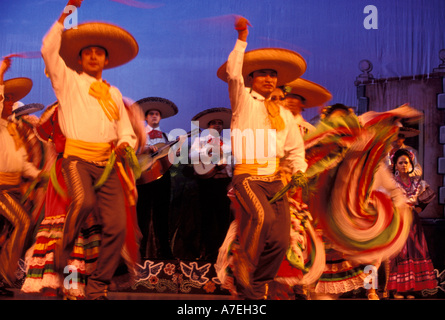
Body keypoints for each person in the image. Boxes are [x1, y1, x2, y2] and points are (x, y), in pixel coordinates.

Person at [41, 0, 139, 300]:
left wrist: (125, 145)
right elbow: (48, 49)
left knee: (117, 227)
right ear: (79, 60)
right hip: (76, 160)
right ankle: (61, 256)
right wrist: (66, 13)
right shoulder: (67, 81)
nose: (94, 56)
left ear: (106, 61)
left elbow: (125, 130)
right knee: (82, 204)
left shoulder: (114, 92)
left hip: (107, 163)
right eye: (88, 52)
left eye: (99, 53)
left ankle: (97, 286)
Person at [215, 16, 308, 299]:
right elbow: (233, 72)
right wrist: (242, 38)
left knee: (280, 240)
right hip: (247, 177)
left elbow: (295, 150)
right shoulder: (242, 99)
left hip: (275, 180)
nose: (269, 79)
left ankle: (257, 284)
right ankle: (244, 263)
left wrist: (300, 170)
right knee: (262, 217)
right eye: (262, 74)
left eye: (273, 75)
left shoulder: (285, 115)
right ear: (252, 78)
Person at [0, 56, 41, 297]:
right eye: (7, 98)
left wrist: (43, 175)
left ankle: (2, 278)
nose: (10, 102)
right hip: (0, 188)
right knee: (23, 222)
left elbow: (24, 164)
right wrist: (2, 71)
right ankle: (5, 275)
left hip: (12, 188)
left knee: (4, 235)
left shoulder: (14, 130)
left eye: (12, 99)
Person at [384, 148, 437, 299]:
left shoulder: (416, 182)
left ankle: (412, 288)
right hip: (398, 221)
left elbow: (428, 195)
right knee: (400, 252)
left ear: (411, 164)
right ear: (395, 165)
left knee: (415, 251)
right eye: (400, 162)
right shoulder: (392, 183)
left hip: (413, 223)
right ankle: (399, 289)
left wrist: (419, 208)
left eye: (406, 162)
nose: (403, 165)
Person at [135, 97, 178, 260]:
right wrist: (143, 149)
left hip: (163, 179)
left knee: (162, 216)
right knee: (142, 216)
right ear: (146, 117)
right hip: (143, 180)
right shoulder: (138, 137)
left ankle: (165, 254)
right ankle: (140, 254)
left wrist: (175, 155)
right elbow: (130, 156)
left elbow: (169, 161)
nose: (154, 116)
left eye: (157, 114)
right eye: (151, 114)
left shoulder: (166, 137)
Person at [190, 107, 233, 261]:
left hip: (223, 183)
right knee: (206, 217)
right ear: (208, 126)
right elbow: (192, 155)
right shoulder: (200, 141)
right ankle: (206, 251)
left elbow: (232, 162)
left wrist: (224, 162)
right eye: (213, 123)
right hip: (206, 183)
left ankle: (223, 252)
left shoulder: (227, 143)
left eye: (219, 123)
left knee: (223, 218)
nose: (217, 125)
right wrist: (208, 152)